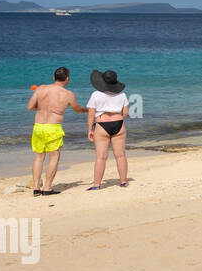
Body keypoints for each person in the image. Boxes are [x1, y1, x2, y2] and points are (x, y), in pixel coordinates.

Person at [26, 67, 87, 195]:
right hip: (53, 127)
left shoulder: (41, 88)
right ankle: (47, 188)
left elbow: (30, 107)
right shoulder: (68, 94)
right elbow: (77, 109)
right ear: (67, 79)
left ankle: (36, 188)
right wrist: (87, 110)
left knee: (39, 157)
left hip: (38, 126)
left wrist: (42, 107)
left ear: (54, 78)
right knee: (54, 158)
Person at [86, 69, 130, 189]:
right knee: (120, 155)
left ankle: (97, 184)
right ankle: (123, 181)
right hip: (118, 124)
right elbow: (125, 112)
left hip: (102, 124)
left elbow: (91, 113)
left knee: (101, 157)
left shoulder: (96, 94)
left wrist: (90, 129)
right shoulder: (122, 94)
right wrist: (119, 119)